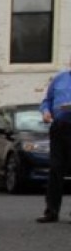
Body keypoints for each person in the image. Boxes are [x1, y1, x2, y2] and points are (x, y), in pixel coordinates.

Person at [37, 57, 71, 223]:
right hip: (60, 126)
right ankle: (51, 211)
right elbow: (47, 101)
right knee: (56, 168)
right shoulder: (60, 78)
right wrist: (45, 112)